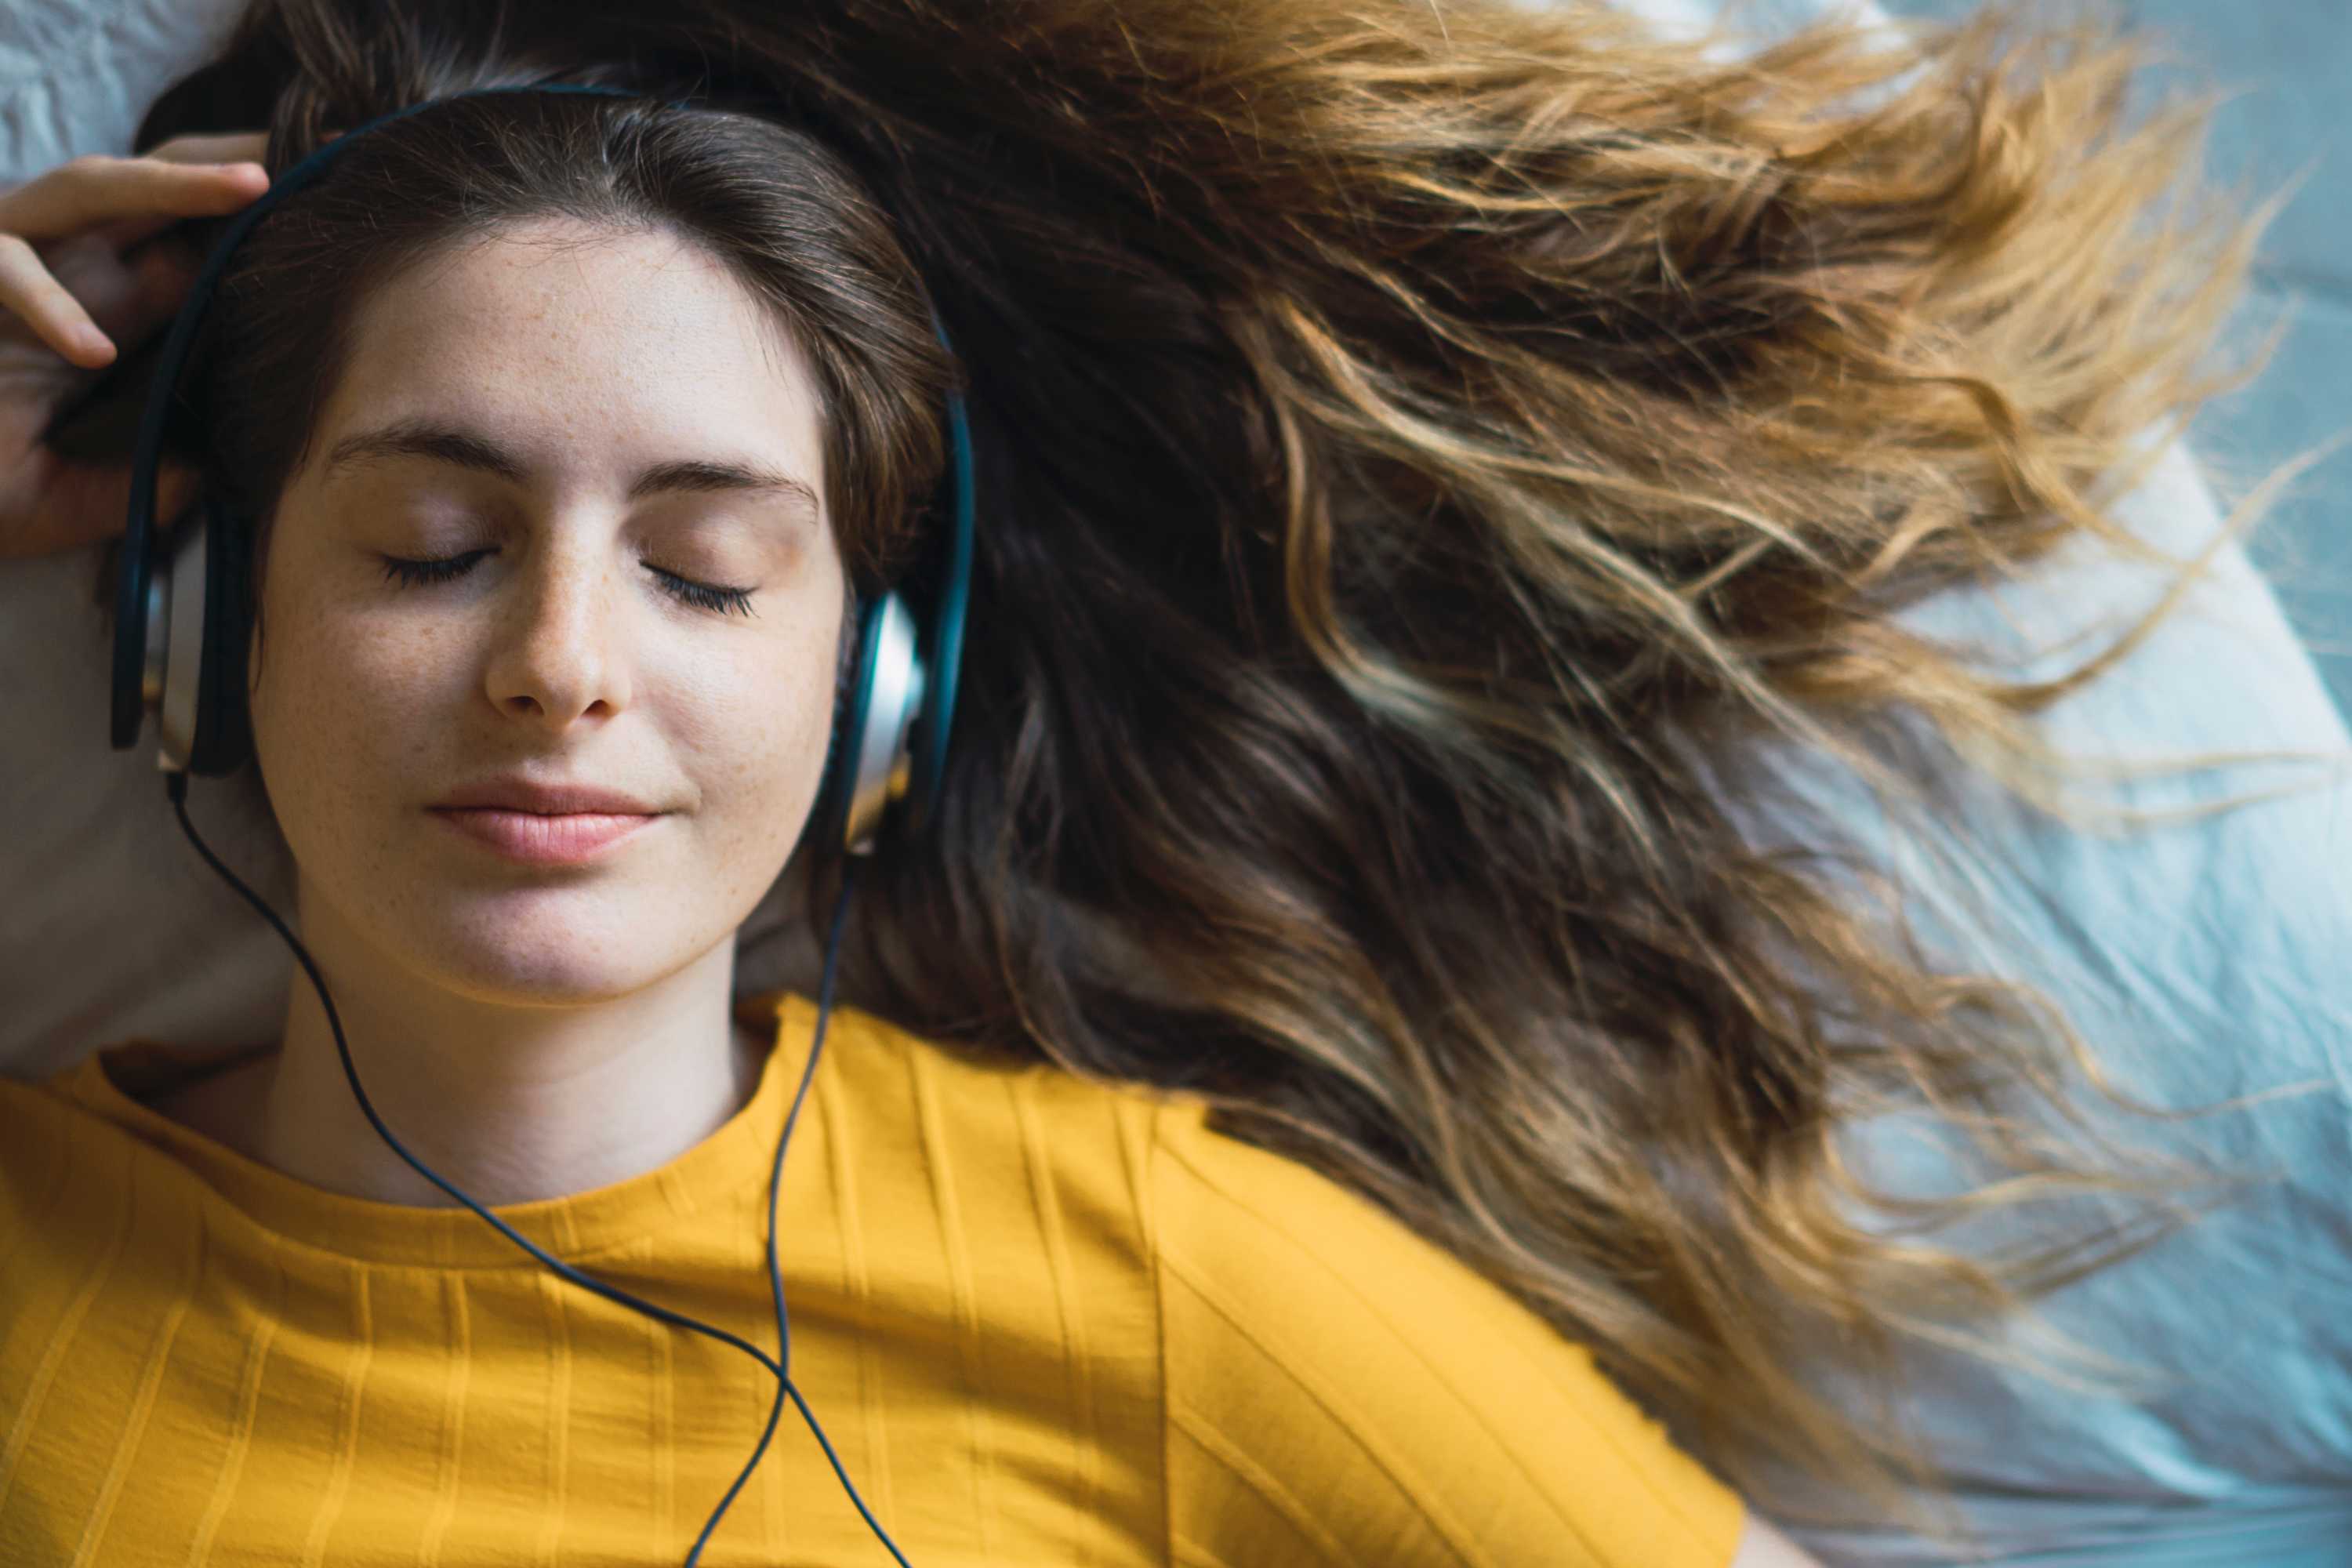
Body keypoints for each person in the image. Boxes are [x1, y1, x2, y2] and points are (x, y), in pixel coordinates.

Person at [0, 0, 2318, 1563]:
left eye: (706, 573)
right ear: (194, 629)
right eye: (433, 546)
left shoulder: (1150, 1273)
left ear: (876, 688)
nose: (559, 670)